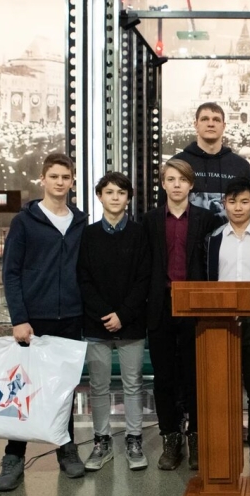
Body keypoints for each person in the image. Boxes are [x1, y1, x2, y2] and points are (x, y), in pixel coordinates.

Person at [0, 152, 88, 492]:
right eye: (54, 176)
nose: (60, 182)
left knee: (64, 389)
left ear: (72, 181)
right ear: (43, 179)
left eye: (65, 177)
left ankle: (66, 449)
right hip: (33, 320)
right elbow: (11, 273)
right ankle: (13, 456)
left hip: (71, 318)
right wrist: (19, 318)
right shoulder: (24, 222)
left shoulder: (79, 221)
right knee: (22, 390)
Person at [143, 159, 220, 471]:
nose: (176, 185)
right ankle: (171, 438)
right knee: (164, 377)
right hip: (161, 306)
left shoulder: (207, 219)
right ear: (163, 184)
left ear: (191, 185)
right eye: (171, 179)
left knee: (195, 375)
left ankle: (197, 437)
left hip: (195, 306)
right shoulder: (149, 220)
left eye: (182, 179)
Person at [77, 172, 151, 472]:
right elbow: (83, 279)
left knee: (133, 384)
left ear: (128, 198)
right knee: (98, 386)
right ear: (100, 196)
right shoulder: (88, 235)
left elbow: (144, 278)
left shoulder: (140, 234)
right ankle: (101, 441)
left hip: (131, 322)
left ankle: (134, 440)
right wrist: (105, 314)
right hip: (97, 323)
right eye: (109, 192)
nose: (115, 197)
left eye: (121, 192)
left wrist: (123, 314)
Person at [206, 177, 250, 473]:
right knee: (222, 386)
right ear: (224, 203)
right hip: (221, 320)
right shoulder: (213, 239)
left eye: (244, 201)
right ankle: (226, 440)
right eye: (232, 201)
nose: (238, 207)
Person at [171, 102, 250, 220]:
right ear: (196, 125)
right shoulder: (177, 164)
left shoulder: (241, 166)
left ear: (223, 126)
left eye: (216, 120)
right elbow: (164, 213)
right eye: (205, 119)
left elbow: (248, 212)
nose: (210, 124)